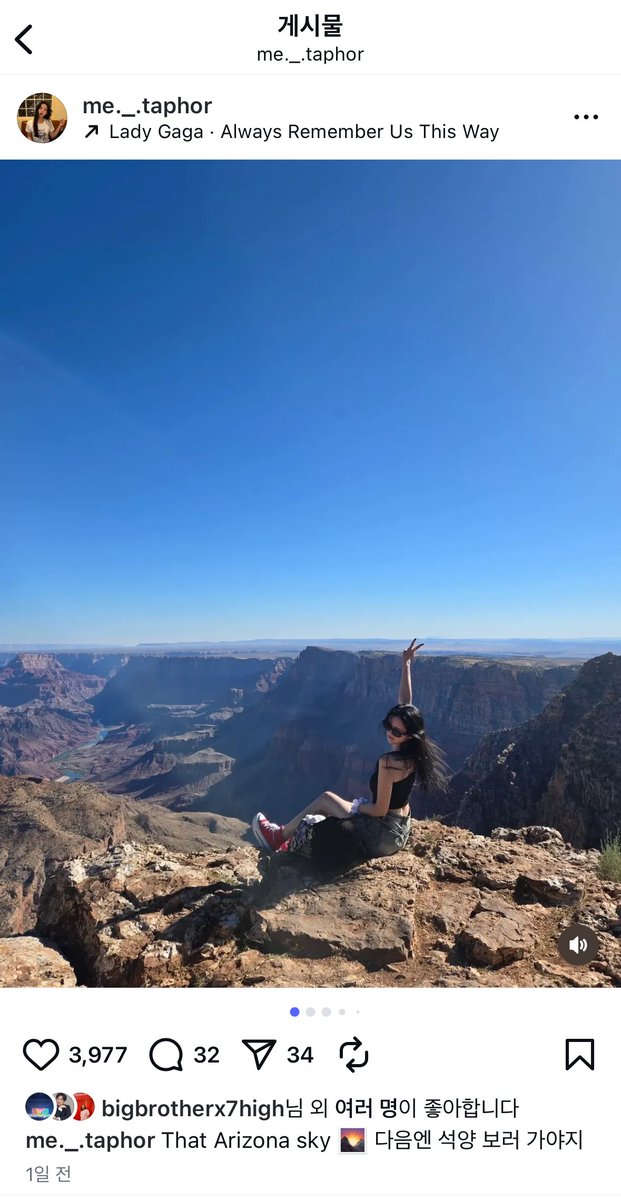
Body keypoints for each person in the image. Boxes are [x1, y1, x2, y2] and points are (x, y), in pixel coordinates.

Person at [252, 638, 449, 865]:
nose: (390, 732)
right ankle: (291, 837)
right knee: (330, 812)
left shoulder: (389, 763)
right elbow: (405, 704)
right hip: (400, 831)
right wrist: (406, 665)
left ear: (409, 734)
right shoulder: (414, 752)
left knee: (326, 799)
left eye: (396, 731)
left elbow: (379, 809)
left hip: (382, 835)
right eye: (388, 725)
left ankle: (277, 837)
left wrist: (356, 807)